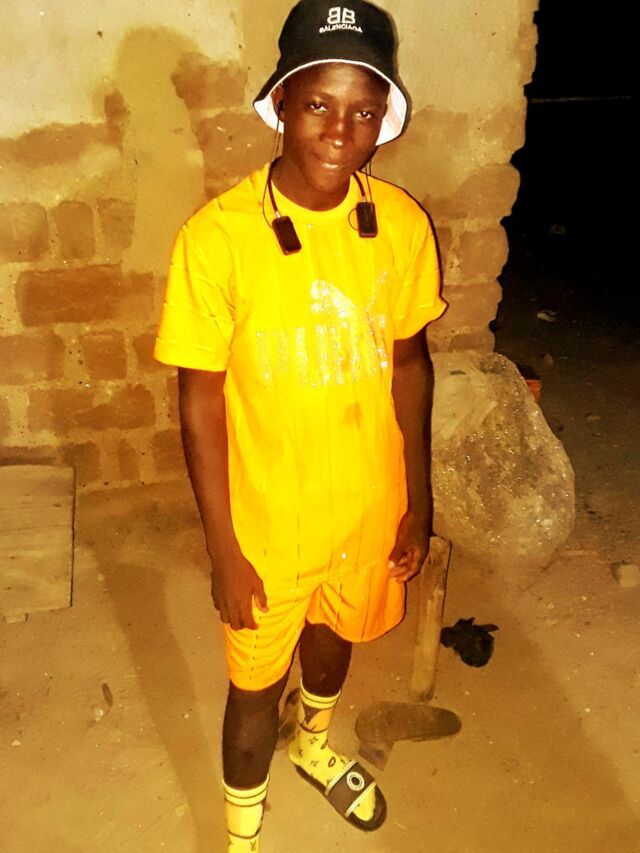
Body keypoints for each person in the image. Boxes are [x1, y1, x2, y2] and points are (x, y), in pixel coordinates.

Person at [154, 1, 446, 849]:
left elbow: (411, 365)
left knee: (334, 638)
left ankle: (314, 741)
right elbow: (199, 400)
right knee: (253, 688)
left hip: (365, 505)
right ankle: (242, 837)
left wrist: (417, 501)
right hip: (269, 524)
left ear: (384, 120)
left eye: (364, 111)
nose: (340, 130)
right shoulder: (217, 240)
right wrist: (224, 548)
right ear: (280, 100)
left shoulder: (400, 226)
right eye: (319, 103)